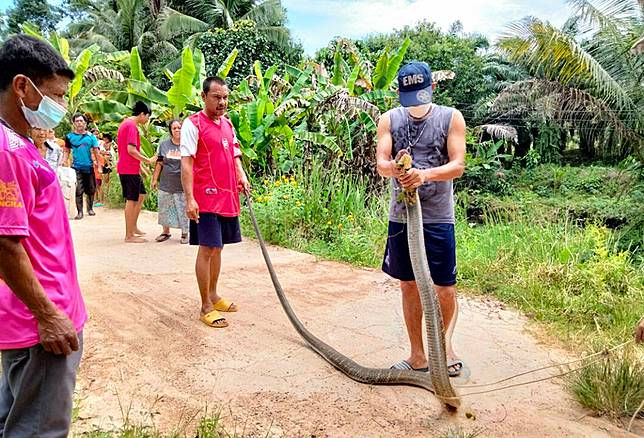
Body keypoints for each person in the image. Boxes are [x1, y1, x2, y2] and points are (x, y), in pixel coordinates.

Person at [0, 34, 86, 437]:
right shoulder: (9, 152)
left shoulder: (21, 144)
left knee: (14, 419)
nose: (61, 108)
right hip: (39, 329)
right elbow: (4, 244)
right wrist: (48, 315)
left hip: (33, 319)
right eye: (55, 96)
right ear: (22, 86)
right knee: (39, 430)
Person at [376, 62, 466, 376]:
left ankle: (441, 348)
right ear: (399, 92)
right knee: (409, 285)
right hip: (402, 217)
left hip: (438, 216)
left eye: (421, 93)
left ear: (433, 88)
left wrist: (424, 175)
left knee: (445, 288)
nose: (416, 101)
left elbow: (457, 165)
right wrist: (397, 169)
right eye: (409, 95)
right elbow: (381, 163)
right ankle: (418, 355)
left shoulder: (450, 117)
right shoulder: (389, 119)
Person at [180, 76, 250, 328]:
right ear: (203, 97)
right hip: (205, 197)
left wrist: (240, 175)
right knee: (207, 248)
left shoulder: (227, 125)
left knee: (219, 248)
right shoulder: (193, 124)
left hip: (227, 195)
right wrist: (189, 198)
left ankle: (214, 294)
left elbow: (234, 154)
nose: (222, 102)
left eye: (225, 97)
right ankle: (205, 306)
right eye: (216, 97)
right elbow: (186, 163)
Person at [116, 101, 154, 243]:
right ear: (142, 114)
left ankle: (133, 227)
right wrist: (148, 161)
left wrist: (141, 168)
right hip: (128, 169)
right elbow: (131, 150)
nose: (147, 120)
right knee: (131, 200)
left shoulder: (126, 123)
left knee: (141, 195)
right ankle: (129, 235)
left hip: (130, 168)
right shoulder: (132, 126)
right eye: (147, 117)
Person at [151, 119, 189, 244]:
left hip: (183, 184)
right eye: (174, 128)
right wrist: (155, 179)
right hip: (166, 183)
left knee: (183, 208)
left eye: (179, 127)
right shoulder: (164, 145)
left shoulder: (188, 144)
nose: (177, 130)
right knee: (164, 208)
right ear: (170, 131)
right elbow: (159, 163)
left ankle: (185, 233)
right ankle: (165, 232)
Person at [63, 113, 99, 219]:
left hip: (88, 166)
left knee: (91, 189)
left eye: (81, 121)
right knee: (78, 189)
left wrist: (99, 166)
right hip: (76, 167)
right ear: (74, 123)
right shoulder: (69, 137)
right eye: (77, 121)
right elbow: (67, 150)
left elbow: (96, 151)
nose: (79, 123)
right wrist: (64, 161)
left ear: (85, 123)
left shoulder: (91, 137)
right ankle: (80, 212)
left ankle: (90, 208)